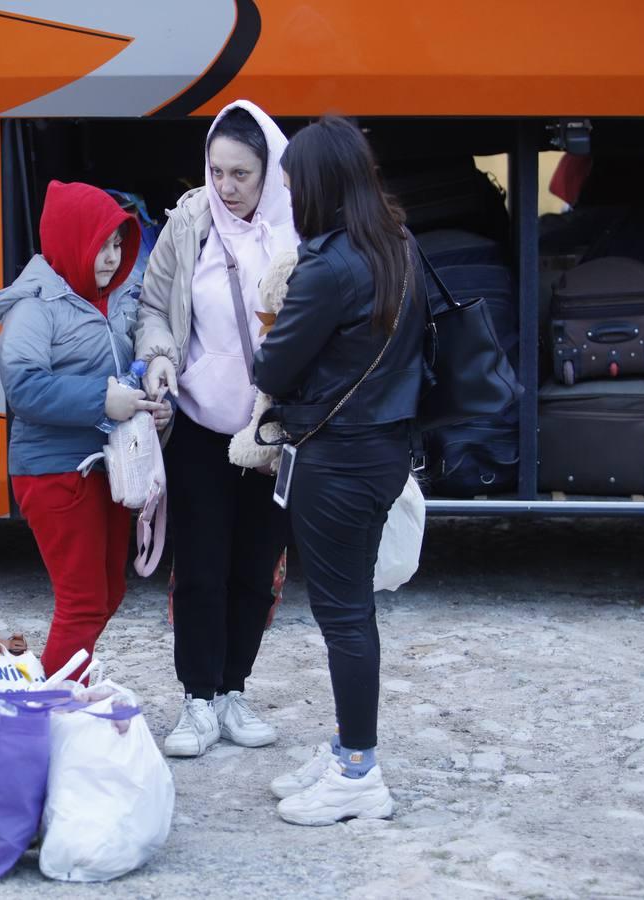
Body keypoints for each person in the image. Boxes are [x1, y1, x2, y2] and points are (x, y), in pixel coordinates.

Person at [253, 116, 424, 825]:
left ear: (318, 188)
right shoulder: (399, 247)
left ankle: (357, 769)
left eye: (292, 185)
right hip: (384, 452)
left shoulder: (327, 267)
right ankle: (350, 748)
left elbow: (271, 365)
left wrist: (276, 311)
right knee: (355, 612)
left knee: (343, 616)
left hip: (334, 457)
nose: (288, 197)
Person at [136, 100, 298, 757]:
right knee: (200, 566)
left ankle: (234, 690)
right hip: (202, 423)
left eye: (241, 175)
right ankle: (197, 699)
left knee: (257, 569)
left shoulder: (299, 231)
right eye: (216, 171)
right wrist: (161, 360)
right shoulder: (190, 222)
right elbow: (154, 305)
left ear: (271, 172)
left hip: (274, 430)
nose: (225, 187)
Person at [0, 180, 171, 679]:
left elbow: (127, 369)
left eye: (119, 244)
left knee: (108, 592)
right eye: (102, 244)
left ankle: (61, 685)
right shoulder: (35, 305)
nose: (113, 257)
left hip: (104, 466)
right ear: (71, 239)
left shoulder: (109, 299)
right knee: (85, 601)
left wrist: (148, 407)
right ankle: (55, 709)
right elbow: (23, 386)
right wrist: (102, 400)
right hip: (54, 471)